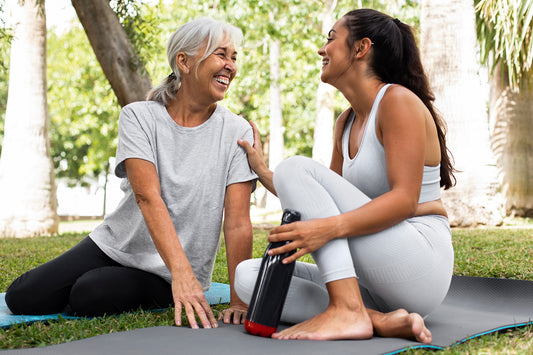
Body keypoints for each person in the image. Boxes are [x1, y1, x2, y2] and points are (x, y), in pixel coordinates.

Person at [6, 17, 257, 329]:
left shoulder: (237, 130)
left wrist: (239, 300)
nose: (230, 66)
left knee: (90, 294)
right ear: (185, 61)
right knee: (22, 296)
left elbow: (236, 222)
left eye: (234, 58)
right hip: (114, 245)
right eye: (222, 54)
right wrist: (183, 275)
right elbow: (147, 196)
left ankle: (117, 287)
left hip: (165, 272)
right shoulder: (138, 116)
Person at [235, 8, 455, 343]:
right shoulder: (345, 122)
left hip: (419, 263)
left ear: (360, 48)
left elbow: (404, 200)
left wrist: (327, 229)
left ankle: (347, 310)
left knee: (295, 165)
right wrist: (263, 171)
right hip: (375, 277)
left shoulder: (397, 101)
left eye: (331, 38)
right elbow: (319, 199)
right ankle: (377, 318)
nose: (322, 50)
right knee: (248, 278)